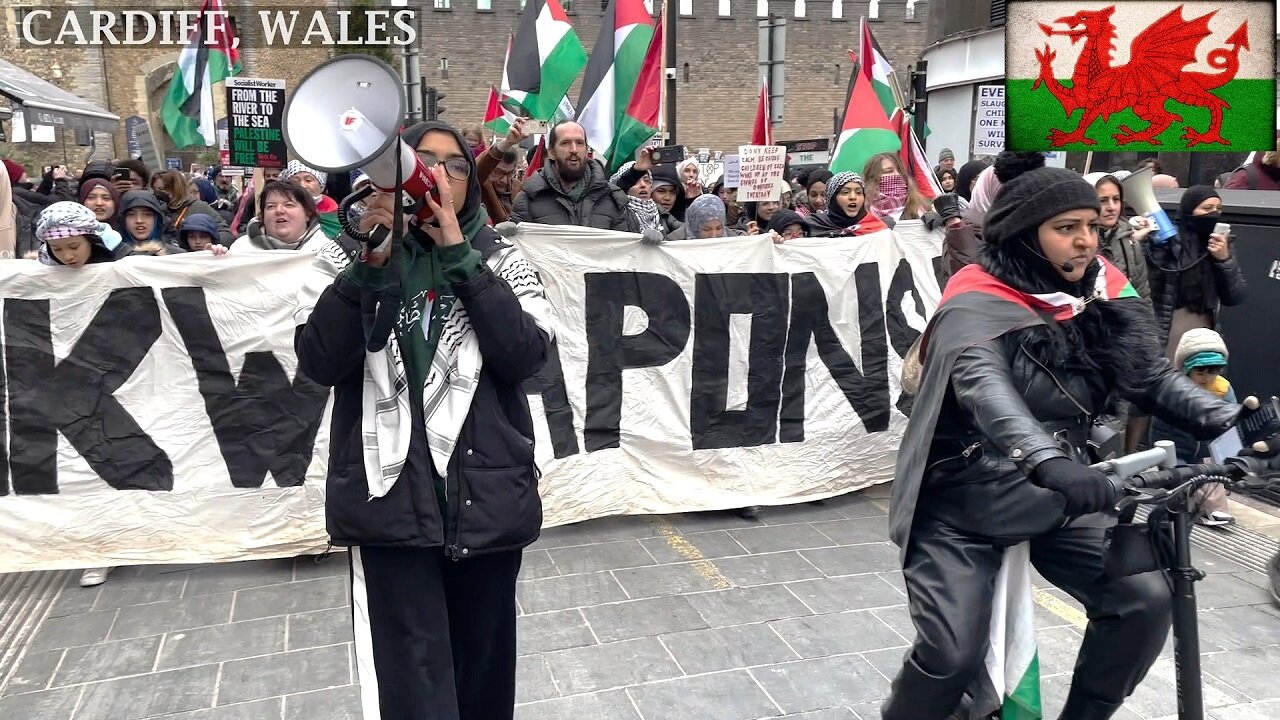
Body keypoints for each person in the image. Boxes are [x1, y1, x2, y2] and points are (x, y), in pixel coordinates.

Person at [883, 167, 1253, 720]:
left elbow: (1148, 376)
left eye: (1090, 225)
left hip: (1064, 495)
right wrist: (1047, 461)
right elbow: (989, 395)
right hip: (964, 503)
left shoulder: (1098, 287)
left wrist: (1235, 424)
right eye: (1065, 227)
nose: (1086, 239)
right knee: (949, 654)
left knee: (1144, 600)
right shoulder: (975, 299)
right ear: (1025, 234)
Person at [293, 120, 553, 720]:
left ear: (469, 183)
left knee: (484, 671)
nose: (437, 174)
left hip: (484, 494)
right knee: (413, 678)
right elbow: (320, 360)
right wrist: (371, 261)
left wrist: (460, 257)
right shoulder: (344, 255)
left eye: (455, 165)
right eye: (422, 160)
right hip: (393, 502)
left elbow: (526, 357)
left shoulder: (500, 257)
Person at [1150, 328, 1237, 526]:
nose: (1207, 377)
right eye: (1201, 371)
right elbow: (1159, 428)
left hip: (1203, 451)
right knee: (1179, 480)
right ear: (1186, 368)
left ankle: (1216, 509)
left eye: (1213, 371)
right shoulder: (1174, 391)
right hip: (1174, 449)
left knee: (1211, 473)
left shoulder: (1223, 389)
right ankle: (1183, 506)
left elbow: (1229, 422)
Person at [1146, 185, 1247, 356]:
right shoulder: (1169, 240)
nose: (1214, 213)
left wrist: (1224, 259)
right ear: (1189, 210)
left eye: (1218, 209)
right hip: (1167, 328)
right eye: (1207, 208)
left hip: (1204, 327)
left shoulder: (1222, 244)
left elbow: (1235, 295)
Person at [510, 121, 638, 231]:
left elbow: (628, 251)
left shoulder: (613, 199)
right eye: (565, 143)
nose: (574, 149)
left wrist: (647, 243)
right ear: (551, 153)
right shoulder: (528, 200)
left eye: (580, 143)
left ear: (587, 149)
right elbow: (517, 252)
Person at [1092, 174, 1152, 299]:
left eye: (1116, 199)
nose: (1112, 207)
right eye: (1103, 200)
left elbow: (1142, 293)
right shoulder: (1080, 243)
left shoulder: (1130, 242)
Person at [230, 181, 327, 253]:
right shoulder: (241, 249)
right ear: (262, 216)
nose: (279, 210)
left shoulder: (327, 251)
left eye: (289, 205)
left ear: (307, 214)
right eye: (271, 206)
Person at [152, 170, 234, 246]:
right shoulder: (160, 209)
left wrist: (209, 245)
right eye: (155, 190)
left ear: (176, 188)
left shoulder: (199, 207)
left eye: (162, 189)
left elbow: (226, 235)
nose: (158, 194)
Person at [805, 172, 889, 237]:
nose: (853, 197)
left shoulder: (878, 229)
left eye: (858, 192)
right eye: (845, 192)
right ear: (832, 198)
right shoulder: (811, 226)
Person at [281, 160, 342, 239]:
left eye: (308, 180)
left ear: (321, 186)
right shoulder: (280, 211)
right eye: (295, 181)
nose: (302, 185)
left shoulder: (335, 212)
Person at [863, 152, 932, 221]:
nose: (897, 174)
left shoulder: (922, 209)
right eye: (889, 171)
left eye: (900, 170)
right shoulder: (863, 213)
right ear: (873, 179)